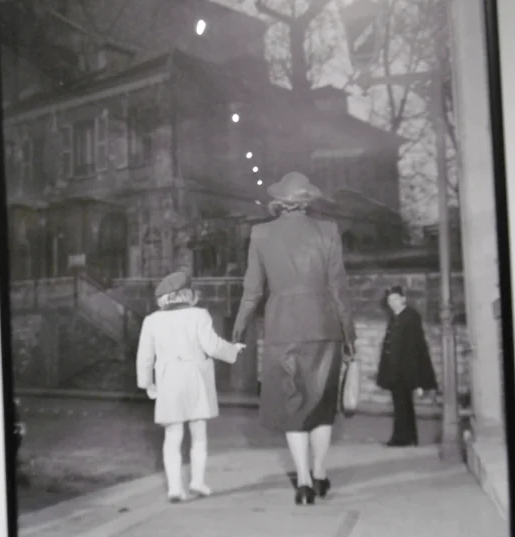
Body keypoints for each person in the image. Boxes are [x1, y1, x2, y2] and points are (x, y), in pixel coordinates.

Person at [232, 172, 356, 506]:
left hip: (281, 329)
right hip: (324, 327)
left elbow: (252, 289)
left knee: (293, 407)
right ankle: (319, 474)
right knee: (321, 407)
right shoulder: (329, 231)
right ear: (307, 200)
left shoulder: (260, 234)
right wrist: (350, 334)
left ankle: (301, 483)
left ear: (280, 202)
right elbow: (338, 288)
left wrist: (240, 325)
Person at [136, 271, 246, 502]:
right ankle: (198, 482)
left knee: (172, 436)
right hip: (196, 378)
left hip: (169, 380)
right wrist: (233, 350)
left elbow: (144, 357)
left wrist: (147, 383)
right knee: (199, 434)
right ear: (187, 294)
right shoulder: (199, 315)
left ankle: (175, 488)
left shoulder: (152, 320)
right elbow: (212, 346)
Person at [376, 286, 438, 447]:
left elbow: (414, 347)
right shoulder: (395, 316)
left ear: (403, 299)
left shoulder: (410, 316)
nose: (392, 303)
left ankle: (402, 438)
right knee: (401, 403)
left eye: (396, 299)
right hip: (394, 368)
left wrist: (416, 377)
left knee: (402, 404)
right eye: (390, 300)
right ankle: (408, 437)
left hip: (405, 368)